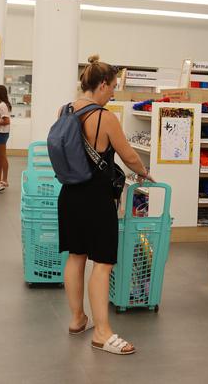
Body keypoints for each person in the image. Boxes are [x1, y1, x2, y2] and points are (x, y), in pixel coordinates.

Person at [59, 54, 152, 356]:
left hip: (70, 195)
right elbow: (128, 156)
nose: (113, 93)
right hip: (97, 200)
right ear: (101, 85)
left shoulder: (64, 110)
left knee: (76, 257)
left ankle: (77, 320)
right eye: (112, 86)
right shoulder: (105, 117)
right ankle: (102, 332)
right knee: (103, 264)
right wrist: (143, 172)